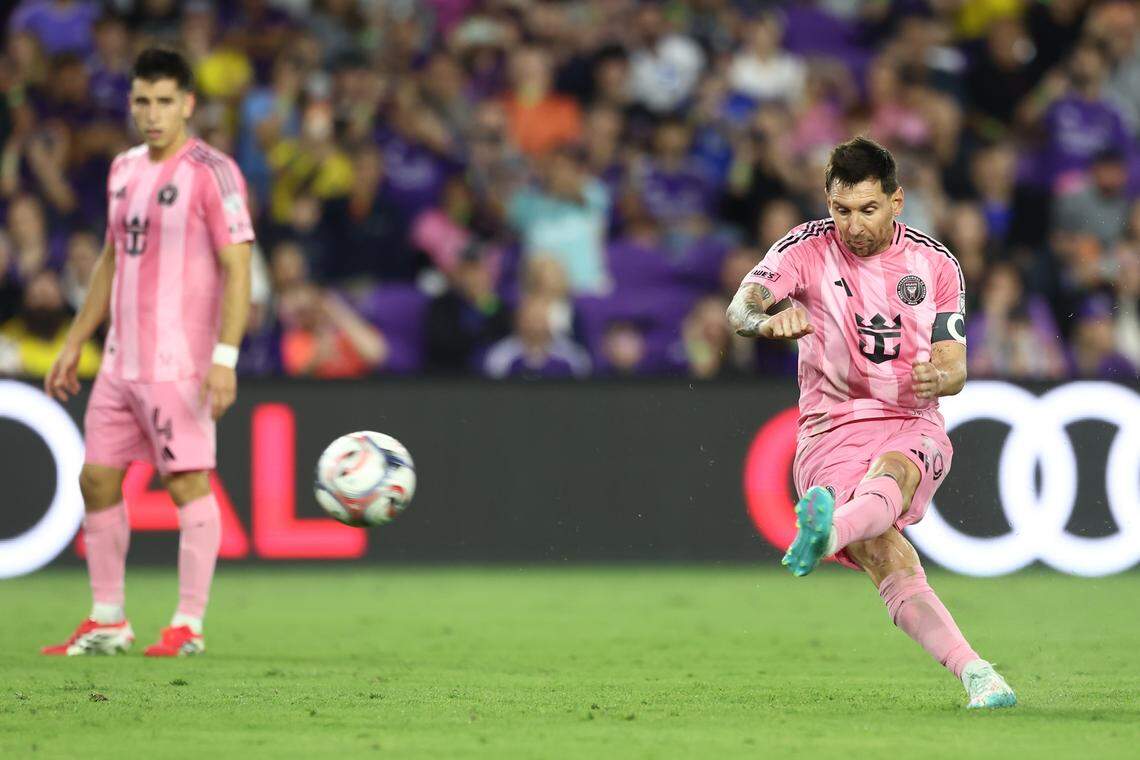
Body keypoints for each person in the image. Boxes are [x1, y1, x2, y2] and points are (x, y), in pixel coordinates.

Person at [726, 137, 1016, 709]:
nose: (853, 225)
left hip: (909, 418)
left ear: (897, 201)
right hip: (828, 430)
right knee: (889, 557)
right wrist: (766, 323)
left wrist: (944, 379)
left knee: (893, 470)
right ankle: (978, 674)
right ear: (827, 202)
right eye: (841, 210)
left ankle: (825, 533)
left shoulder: (935, 264)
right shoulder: (803, 249)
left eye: (868, 209)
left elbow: (955, 362)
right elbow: (740, 307)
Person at [40, 48, 255, 657]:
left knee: (187, 483)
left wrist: (225, 357)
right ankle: (109, 618)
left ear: (188, 104)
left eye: (165, 101)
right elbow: (113, 257)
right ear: (131, 103)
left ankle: (188, 624)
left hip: (176, 363)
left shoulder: (213, 172)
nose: (153, 114)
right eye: (142, 101)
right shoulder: (123, 169)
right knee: (97, 480)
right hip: (119, 361)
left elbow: (237, 268)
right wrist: (76, 338)